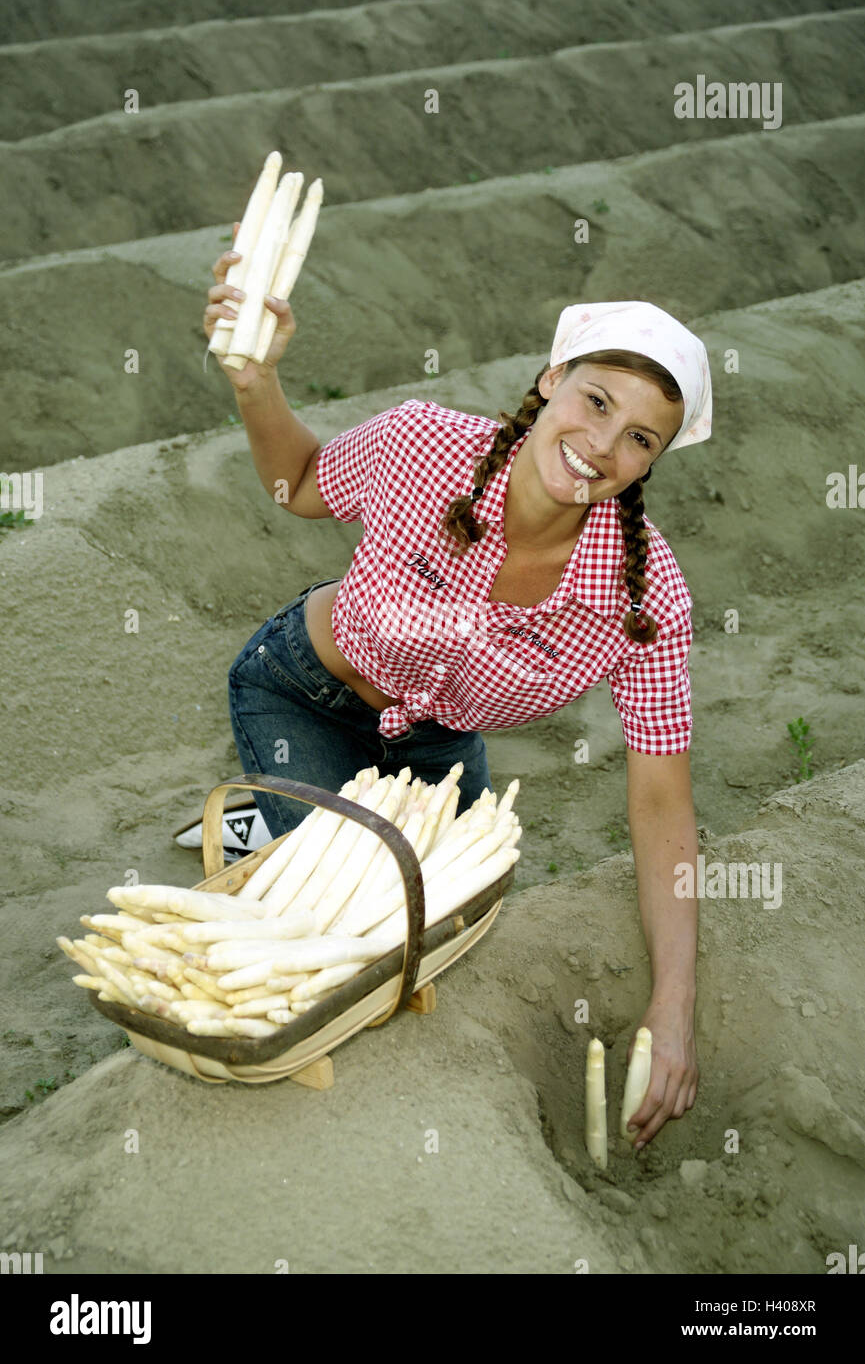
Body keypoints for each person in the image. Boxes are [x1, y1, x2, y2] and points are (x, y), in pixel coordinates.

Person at [203, 227, 712, 1149]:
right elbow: (303, 484)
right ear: (552, 379)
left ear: (652, 462)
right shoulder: (423, 445)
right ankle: (261, 822)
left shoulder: (645, 596)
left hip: (435, 746)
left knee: (449, 930)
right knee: (350, 931)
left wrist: (674, 1009)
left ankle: (292, 825)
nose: (601, 444)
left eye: (639, 438)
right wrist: (255, 383)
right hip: (305, 690)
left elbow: (662, 802)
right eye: (595, 400)